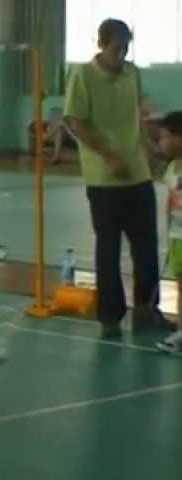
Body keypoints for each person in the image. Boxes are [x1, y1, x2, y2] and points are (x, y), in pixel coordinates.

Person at [64, 18, 173, 338]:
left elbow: (137, 118)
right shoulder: (82, 75)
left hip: (137, 175)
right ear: (100, 44)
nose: (121, 55)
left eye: (126, 48)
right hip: (104, 180)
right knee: (108, 249)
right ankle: (110, 317)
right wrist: (109, 156)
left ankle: (145, 310)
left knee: (146, 246)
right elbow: (76, 122)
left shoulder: (132, 74)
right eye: (116, 49)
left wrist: (150, 151)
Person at [156, 112, 182, 353]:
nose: (161, 143)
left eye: (164, 137)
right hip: (177, 236)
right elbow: (170, 200)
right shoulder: (172, 167)